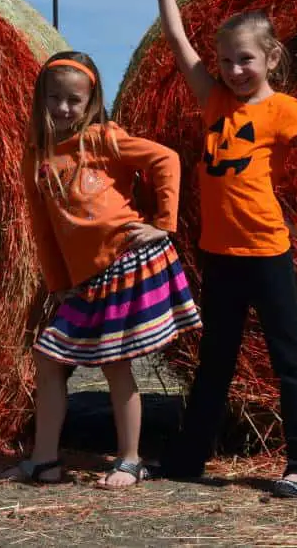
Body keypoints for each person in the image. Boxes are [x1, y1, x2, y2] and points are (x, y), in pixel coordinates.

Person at [155, 0, 297, 498]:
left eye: (245, 60)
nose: (234, 70)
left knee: (291, 361)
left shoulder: (284, 108)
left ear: (270, 57)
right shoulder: (212, 99)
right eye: (226, 61)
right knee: (215, 361)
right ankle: (188, 460)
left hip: (266, 251)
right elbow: (175, 38)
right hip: (219, 254)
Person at [14, 51, 201, 489]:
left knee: (115, 363)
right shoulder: (37, 157)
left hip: (123, 262)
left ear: (91, 103)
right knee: (48, 357)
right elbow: (43, 228)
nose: (63, 108)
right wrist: (58, 283)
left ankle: (130, 459)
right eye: (55, 98)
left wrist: (163, 224)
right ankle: (45, 461)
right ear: (41, 98)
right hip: (84, 282)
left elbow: (165, 159)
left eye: (73, 101)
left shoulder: (101, 139)